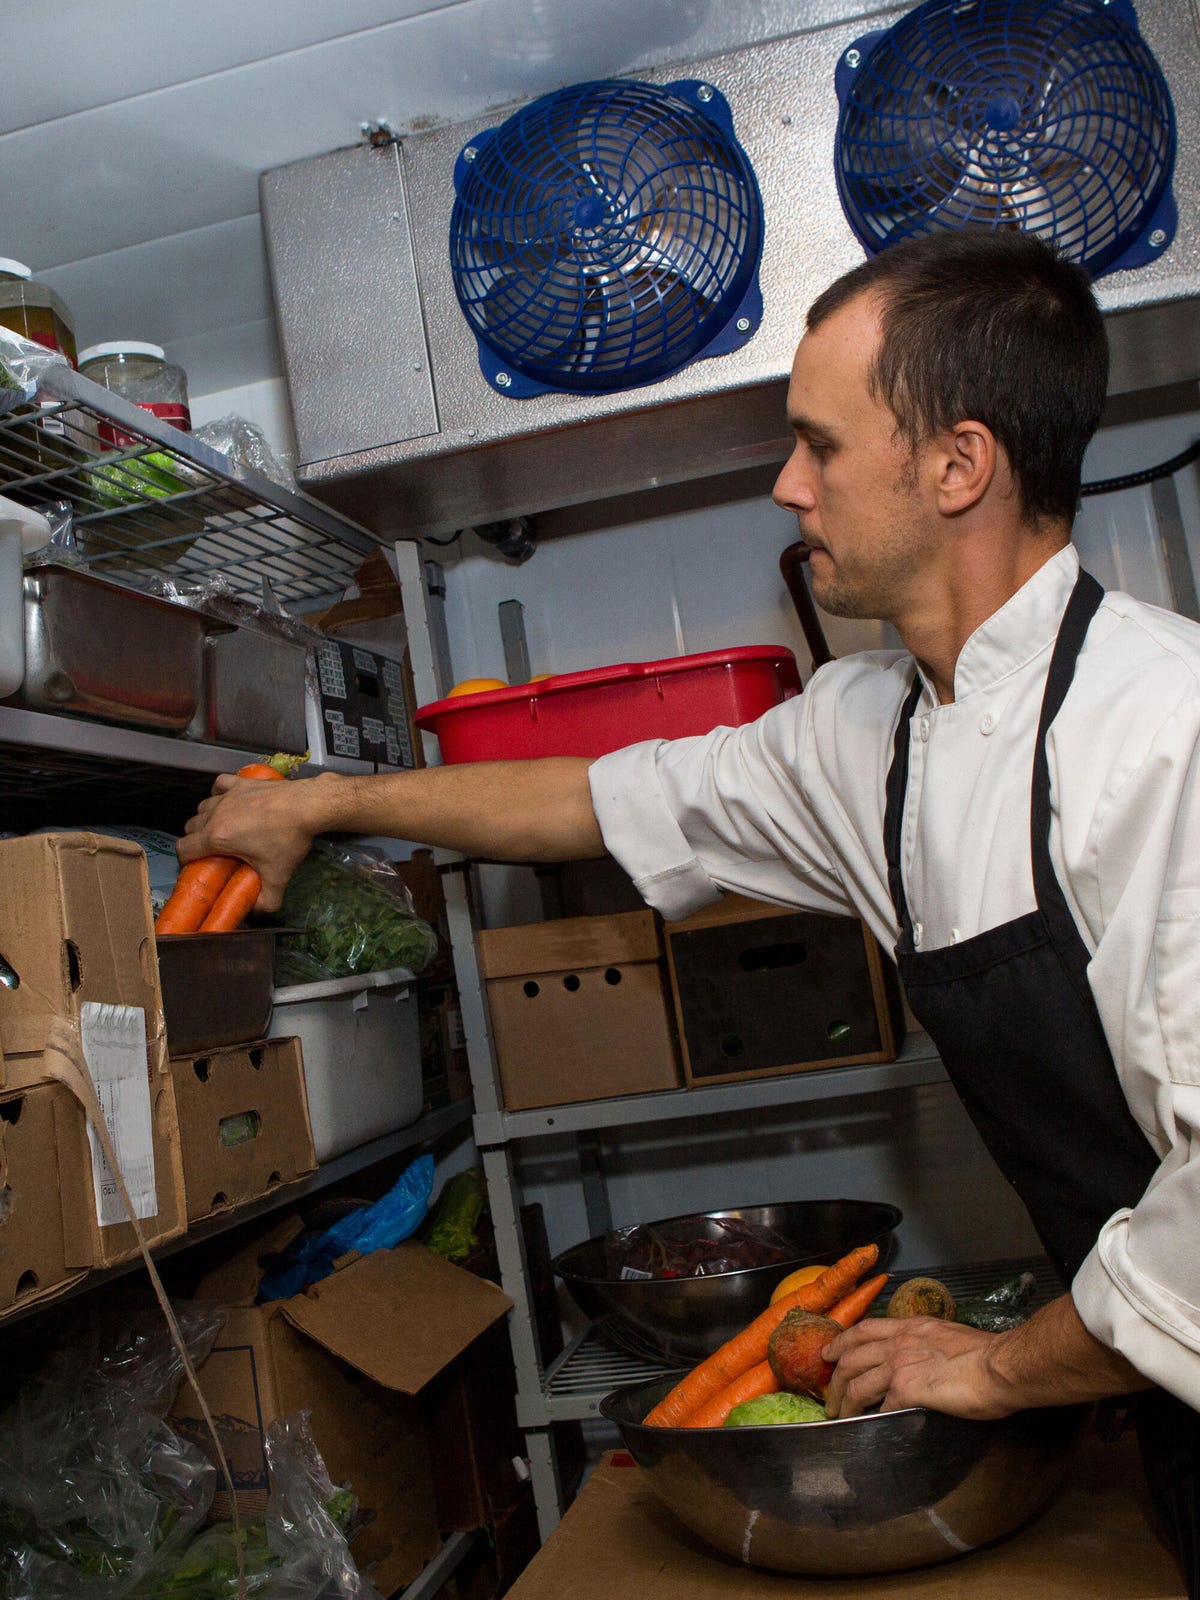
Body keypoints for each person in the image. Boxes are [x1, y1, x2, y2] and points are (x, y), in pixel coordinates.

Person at [180, 228, 1200, 1588]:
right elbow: (590, 800)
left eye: (820, 446)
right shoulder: (869, 735)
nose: (788, 486)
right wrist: (321, 804)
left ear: (960, 466)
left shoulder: (1162, 728)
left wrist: (1006, 1366)